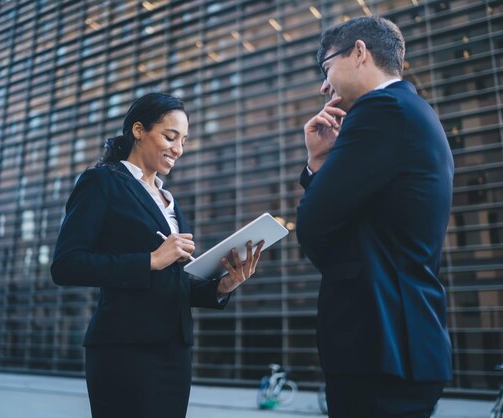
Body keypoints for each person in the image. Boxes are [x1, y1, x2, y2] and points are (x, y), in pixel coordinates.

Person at [50, 92, 264, 418]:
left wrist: (224, 285)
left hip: (175, 351)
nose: (178, 149)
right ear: (138, 130)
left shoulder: (169, 200)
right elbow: (66, 265)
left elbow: (173, 281)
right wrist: (150, 260)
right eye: (170, 136)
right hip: (124, 348)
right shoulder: (102, 181)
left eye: (184, 140)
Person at [296, 17, 454, 418]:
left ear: (360, 52)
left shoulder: (382, 109)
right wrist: (319, 162)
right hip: (401, 343)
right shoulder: (410, 111)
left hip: (380, 345)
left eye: (326, 67)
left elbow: (313, 224)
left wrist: (317, 172)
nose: (324, 86)